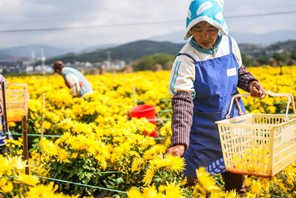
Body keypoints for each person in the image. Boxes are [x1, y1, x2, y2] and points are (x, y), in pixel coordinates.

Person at [166, 0, 266, 195]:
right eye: (198, 29)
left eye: (211, 29)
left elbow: (238, 72)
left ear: (220, 26)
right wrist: (180, 141)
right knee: (197, 188)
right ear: (190, 30)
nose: (205, 36)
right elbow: (182, 102)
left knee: (237, 185)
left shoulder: (230, 44)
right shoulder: (186, 59)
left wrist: (251, 83)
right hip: (202, 134)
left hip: (232, 131)